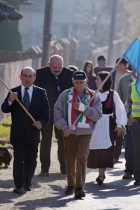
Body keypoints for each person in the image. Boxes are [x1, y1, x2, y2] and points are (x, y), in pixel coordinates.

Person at [54, 71, 102, 199]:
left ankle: (79, 187)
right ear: (72, 81)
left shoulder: (93, 96)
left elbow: (97, 114)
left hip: (85, 133)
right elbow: (57, 112)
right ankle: (71, 184)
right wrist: (64, 127)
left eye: (81, 82)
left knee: (82, 158)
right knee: (70, 159)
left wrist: (84, 108)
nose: (79, 85)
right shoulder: (65, 95)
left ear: (86, 81)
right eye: (76, 82)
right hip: (70, 133)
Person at [1, 67, 50, 194]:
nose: (27, 79)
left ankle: (27, 182)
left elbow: (45, 113)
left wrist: (41, 122)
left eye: (30, 76)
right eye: (25, 76)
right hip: (18, 133)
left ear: (34, 78)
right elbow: (4, 109)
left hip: (33, 133)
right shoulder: (13, 92)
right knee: (18, 158)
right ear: (20, 77)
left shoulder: (41, 92)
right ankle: (18, 185)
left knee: (31, 159)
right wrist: (10, 100)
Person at [34, 54, 74, 176]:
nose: (57, 70)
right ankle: (45, 169)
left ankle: (64, 167)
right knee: (45, 140)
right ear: (49, 66)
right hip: (45, 112)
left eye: (59, 67)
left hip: (62, 113)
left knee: (63, 140)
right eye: (54, 67)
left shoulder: (70, 74)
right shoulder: (40, 74)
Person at [87, 71, 127, 185]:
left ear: (104, 81)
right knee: (94, 147)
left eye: (98, 79)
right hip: (95, 124)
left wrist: (119, 125)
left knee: (106, 148)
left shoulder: (113, 94)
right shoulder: (93, 94)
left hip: (107, 123)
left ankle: (101, 174)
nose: (96, 81)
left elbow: (120, 109)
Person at [117, 67, 137, 179]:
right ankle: (129, 170)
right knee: (129, 146)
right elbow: (119, 99)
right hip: (128, 119)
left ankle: (139, 169)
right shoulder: (124, 80)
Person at [111, 57, 130, 163]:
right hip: (112, 105)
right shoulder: (111, 75)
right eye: (122, 64)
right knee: (111, 129)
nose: (125, 66)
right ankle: (109, 153)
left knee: (121, 129)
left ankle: (116, 156)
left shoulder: (131, 75)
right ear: (117, 65)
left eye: (126, 64)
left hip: (125, 106)